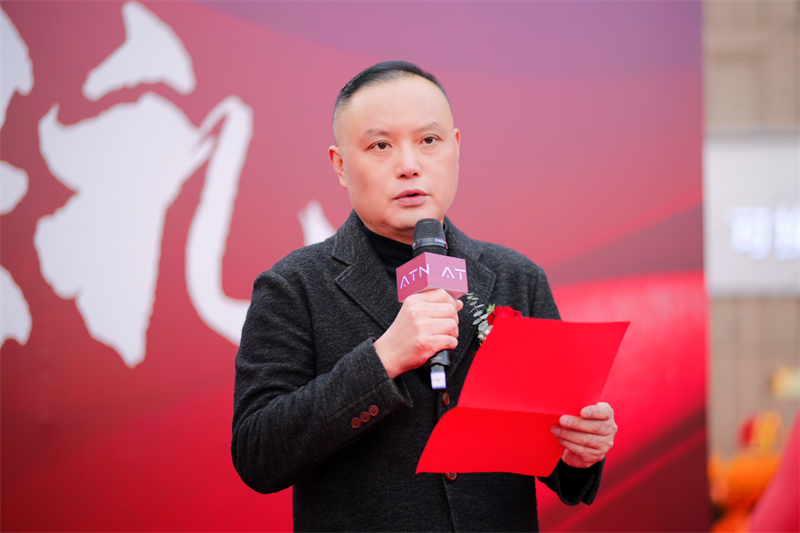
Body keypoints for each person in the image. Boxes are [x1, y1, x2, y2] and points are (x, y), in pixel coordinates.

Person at [232, 61, 618, 532]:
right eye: (381, 146)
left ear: (455, 148)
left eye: (429, 140)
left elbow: (553, 454)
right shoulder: (293, 286)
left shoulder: (516, 278)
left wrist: (579, 451)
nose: (409, 165)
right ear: (340, 165)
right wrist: (383, 359)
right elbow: (258, 453)